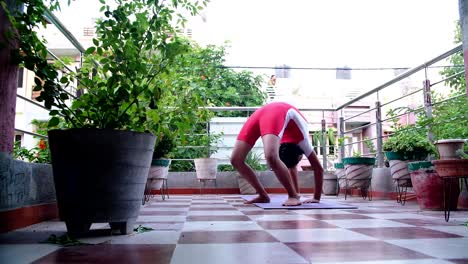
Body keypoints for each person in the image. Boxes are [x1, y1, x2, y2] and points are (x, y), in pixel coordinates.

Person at [231, 102, 324, 206]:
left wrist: (315, 197)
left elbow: (292, 167)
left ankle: (283, 195)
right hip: (277, 111)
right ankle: (282, 195)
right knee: (267, 157)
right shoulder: (303, 140)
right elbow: (318, 168)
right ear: (299, 155)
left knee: (239, 159)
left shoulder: (282, 141)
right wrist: (316, 197)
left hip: (265, 112)